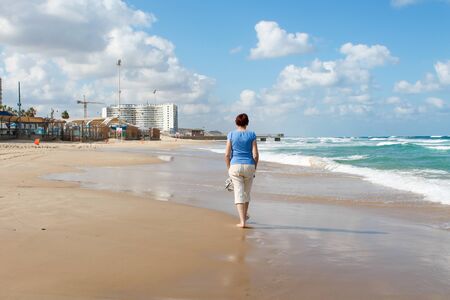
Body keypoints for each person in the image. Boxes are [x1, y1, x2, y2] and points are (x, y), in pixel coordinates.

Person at [225, 113, 259, 228]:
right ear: (247, 122)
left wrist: (229, 168)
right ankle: (245, 217)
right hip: (249, 166)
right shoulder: (252, 134)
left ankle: (242, 222)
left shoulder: (231, 134)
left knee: (238, 193)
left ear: (236, 122)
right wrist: (255, 168)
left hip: (235, 166)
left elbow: (227, 154)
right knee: (246, 193)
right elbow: (255, 155)